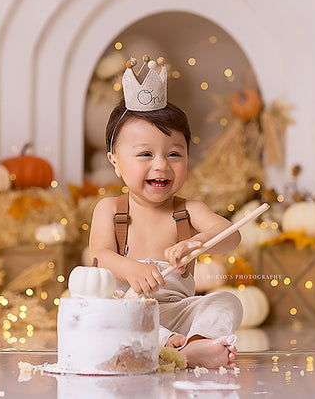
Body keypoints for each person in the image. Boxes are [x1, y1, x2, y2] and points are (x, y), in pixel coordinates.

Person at [88, 56, 243, 369]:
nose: (161, 164)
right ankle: (166, 345)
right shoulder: (109, 209)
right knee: (105, 315)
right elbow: (98, 255)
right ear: (115, 161)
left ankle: (197, 344)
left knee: (227, 302)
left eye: (174, 154)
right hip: (129, 309)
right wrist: (129, 268)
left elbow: (232, 236)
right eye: (145, 154)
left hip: (178, 311)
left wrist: (197, 243)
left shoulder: (187, 211)